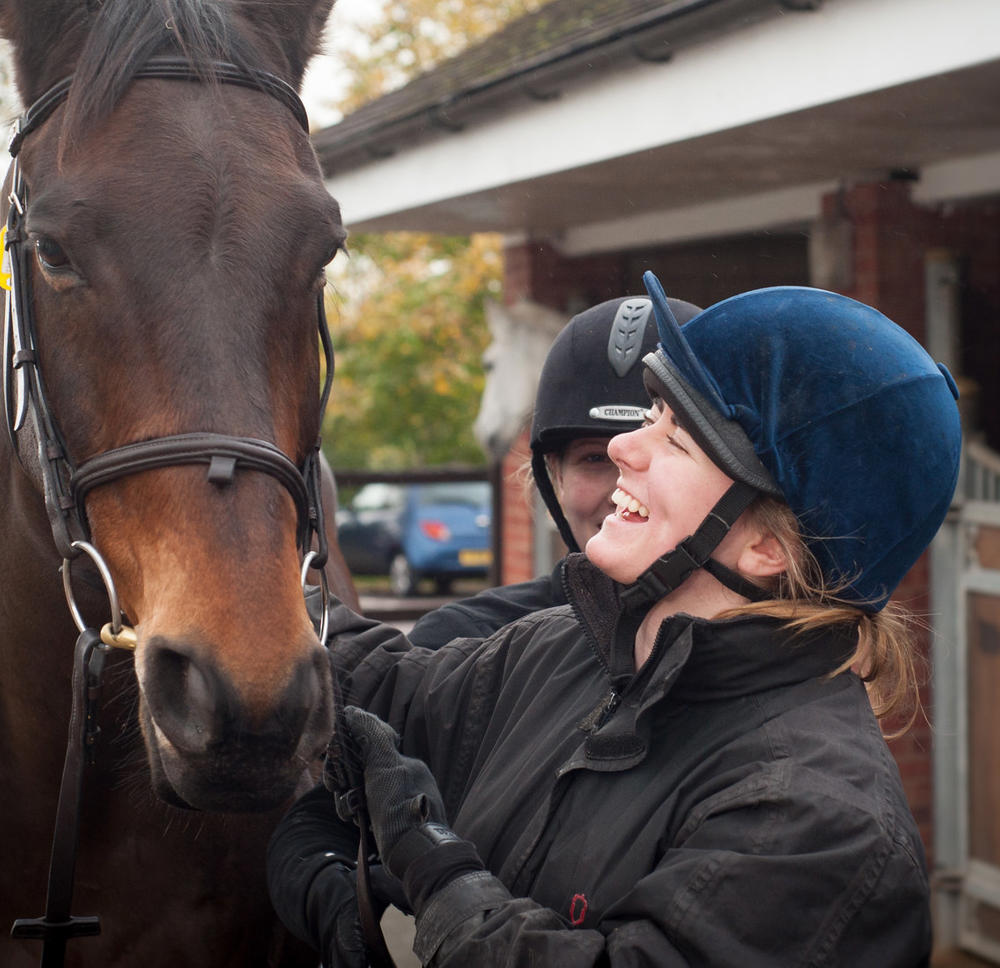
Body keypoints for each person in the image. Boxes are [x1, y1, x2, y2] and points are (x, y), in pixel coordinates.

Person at [269, 271, 961, 967]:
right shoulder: (574, 651)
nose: (628, 447)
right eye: (654, 411)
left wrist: (442, 877)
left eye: (678, 439)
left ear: (767, 546)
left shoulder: (817, 823)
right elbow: (384, 687)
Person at [408, 293, 700, 648]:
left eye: (665, 454)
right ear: (556, 475)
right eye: (594, 459)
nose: (621, 493)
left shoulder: (773, 646)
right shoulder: (463, 642)